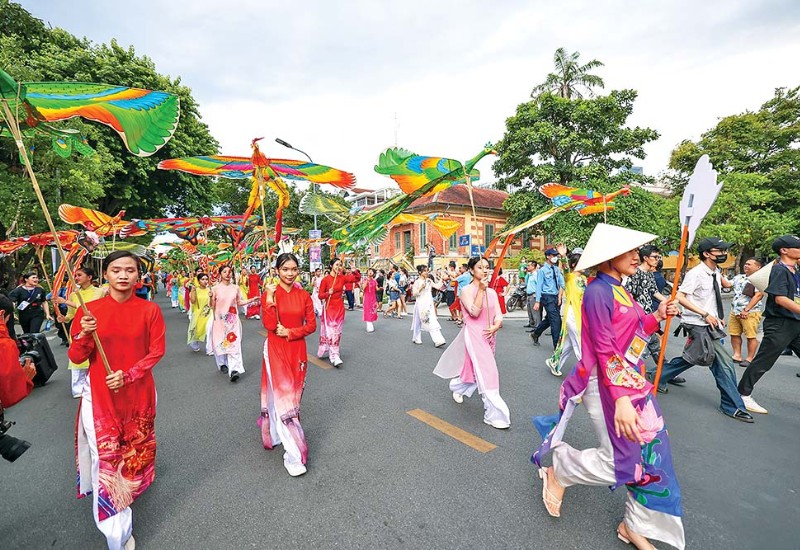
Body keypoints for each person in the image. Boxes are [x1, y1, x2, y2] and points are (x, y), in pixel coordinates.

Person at [532, 224, 684, 550]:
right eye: (630, 251)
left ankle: (634, 527)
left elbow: (636, 329)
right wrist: (623, 400)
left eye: (636, 251)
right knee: (623, 462)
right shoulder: (598, 292)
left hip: (630, 381)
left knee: (651, 457)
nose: (637, 256)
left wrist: (657, 314)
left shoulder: (620, 288)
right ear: (608, 256)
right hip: (606, 385)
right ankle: (562, 470)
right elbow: (605, 348)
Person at [69, 250, 166, 550]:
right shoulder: (89, 311)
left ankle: (126, 502)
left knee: (133, 457)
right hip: (100, 399)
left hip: (139, 396)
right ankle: (116, 534)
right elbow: (76, 356)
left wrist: (130, 374)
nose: (123, 275)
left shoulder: (149, 310)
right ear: (105, 275)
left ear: (139, 276)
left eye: (130, 270)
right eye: (116, 270)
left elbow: (156, 351)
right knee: (108, 461)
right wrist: (85, 334)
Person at [657, 237, 754, 423]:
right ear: (707, 254)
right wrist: (704, 314)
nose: (724, 254)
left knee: (694, 358)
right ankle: (732, 405)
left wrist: (716, 315)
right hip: (698, 324)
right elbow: (680, 296)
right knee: (723, 363)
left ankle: (657, 376)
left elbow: (722, 288)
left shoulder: (715, 271)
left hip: (711, 324)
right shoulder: (696, 273)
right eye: (719, 251)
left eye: (724, 250)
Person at [433, 257, 510, 429]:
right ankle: (494, 414)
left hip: (489, 336)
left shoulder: (491, 292)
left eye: (487, 267)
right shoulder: (466, 291)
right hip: (474, 335)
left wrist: (496, 325)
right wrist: (481, 291)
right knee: (488, 372)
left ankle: (457, 387)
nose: (485, 270)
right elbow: (474, 312)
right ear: (471, 270)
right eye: (480, 267)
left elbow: (499, 315)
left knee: (475, 371)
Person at [259, 253, 317, 477]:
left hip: (297, 349)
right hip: (275, 349)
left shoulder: (304, 296)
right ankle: (293, 454)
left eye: (293, 269)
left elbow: (311, 325)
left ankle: (274, 433)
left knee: (294, 397)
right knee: (285, 400)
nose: (290, 274)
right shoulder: (270, 293)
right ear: (277, 270)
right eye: (285, 269)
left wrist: (291, 332)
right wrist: (270, 298)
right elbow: (270, 324)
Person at [738, 235, 800, 414]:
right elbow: (780, 299)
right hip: (780, 323)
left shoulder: (794, 270)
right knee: (764, 361)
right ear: (784, 250)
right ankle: (742, 394)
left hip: (795, 322)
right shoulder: (780, 270)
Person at [623, 245, 679, 382]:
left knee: (654, 346)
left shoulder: (650, 274)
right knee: (638, 350)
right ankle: (634, 376)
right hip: (639, 319)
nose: (657, 260)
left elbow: (655, 292)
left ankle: (665, 372)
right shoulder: (635, 273)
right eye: (655, 257)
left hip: (649, 316)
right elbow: (629, 295)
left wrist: (668, 302)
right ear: (646, 258)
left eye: (658, 257)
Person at [56, 267, 105, 399]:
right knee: (77, 356)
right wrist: (64, 318)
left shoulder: (99, 292)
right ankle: (78, 388)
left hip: (95, 327)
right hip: (78, 328)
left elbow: (88, 308)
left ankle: (96, 384)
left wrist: (65, 301)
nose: (76, 278)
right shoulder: (73, 294)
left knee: (96, 356)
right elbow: (71, 314)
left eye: (79, 275)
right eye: (75, 276)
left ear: (89, 277)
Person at [210, 265, 258, 382]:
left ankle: (234, 370)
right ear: (220, 274)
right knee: (221, 345)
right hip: (220, 321)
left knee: (234, 344)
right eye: (225, 272)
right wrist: (211, 297)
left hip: (232, 320)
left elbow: (239, 302)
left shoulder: (235, 288)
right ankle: (223, 364)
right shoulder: (214, 289)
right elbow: (211, 306)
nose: (227, 274)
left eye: (229, 272)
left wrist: (252, 300)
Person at [545, 250, 585, 377]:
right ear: (574, 265)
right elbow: (566, 269)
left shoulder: (584, 279)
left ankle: (554, 362)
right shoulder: (569, 277)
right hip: (572, 314)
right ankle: (586, 369)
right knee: (579, 341)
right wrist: (563, 256)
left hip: (581, 314)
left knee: (568, 343)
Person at [317, 258, 357, 367]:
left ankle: (329, 349)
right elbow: (320, 295)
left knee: (337, 332)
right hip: (329, 308)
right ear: (331, 266)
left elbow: (355, 279)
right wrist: (327, 293)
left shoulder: (342, 278)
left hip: (339, 307)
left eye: (340, 265)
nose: (338, 267)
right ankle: (334, 355)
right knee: (331, 332)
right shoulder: (325, 280)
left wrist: (354, 269)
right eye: (336, 265)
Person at [729, 258, 765, 368]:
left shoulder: (759, 279)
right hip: (735, 311)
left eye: (749, 264)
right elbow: (727, 284)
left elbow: (758, 295)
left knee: (750, 336)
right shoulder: (739, 277)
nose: (746, 266)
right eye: (746, 264)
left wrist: (747, 309)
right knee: (734, 333)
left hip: (750, 312)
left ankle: (750, 358)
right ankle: (737, 355)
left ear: (758, 267)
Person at [0, 295, 35, 408]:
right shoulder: (4, 344)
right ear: (1, 314)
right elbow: (10, 394)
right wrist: (25, 378)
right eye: (8, 318)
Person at [531, 248, 565, 348]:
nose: (555, 257)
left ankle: (536, 333)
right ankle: (557, 346)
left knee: (550, 319)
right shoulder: (542, 271)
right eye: (553, 255)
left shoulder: (556, 269)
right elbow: (539, 286)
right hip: (546, 297)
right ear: (548, 257)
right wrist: (537, 301)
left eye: (556, 255)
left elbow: (562, 283)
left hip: (555, 296)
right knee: (556, 320)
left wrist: (561, 295)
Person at [411, 265, 446, 347]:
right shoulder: (417, 282)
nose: (426, 272)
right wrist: (421, 288)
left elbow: (437, 286)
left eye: (427, 270)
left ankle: (439, 340)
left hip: (429, 304)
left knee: (432, 321)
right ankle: (417, 337)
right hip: (421, 305)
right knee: (420, 322)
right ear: (420, 272)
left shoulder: (429, 281)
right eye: (424, 271)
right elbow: (414, 294)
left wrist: (441, 279)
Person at [187, 273, 212, 352]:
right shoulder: (195, 289)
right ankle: (195, 342)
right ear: (198, 281)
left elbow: (212, 303)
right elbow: (193, 301)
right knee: (198, 330)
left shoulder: (210, 290)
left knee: (210, 329)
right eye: (202, 279)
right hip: (198, 312)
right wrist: (193, 291)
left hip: (209, 313)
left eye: (206, 279)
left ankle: (210, 348)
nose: (205, 281)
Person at [523, 261, 540, 330]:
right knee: (530, 311)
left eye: (529, 265)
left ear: (533, 266)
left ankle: (537, 326)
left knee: (535, 312)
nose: (527, 267)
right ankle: (531, 322)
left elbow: (539, 285)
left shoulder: (536, 275)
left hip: (534, 295)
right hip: (529, 295)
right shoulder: (530, 275)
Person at [361, 268, 379, 333]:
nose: (370, 272)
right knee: (367, 310)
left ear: (374, 273)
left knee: (373, 310)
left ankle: (370, 323)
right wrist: (367, 281)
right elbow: (363, 287)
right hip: (367, 297)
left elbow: (376, 289)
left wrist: (381, 288)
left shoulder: (374, 281)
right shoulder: (365, 280)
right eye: (369, 271)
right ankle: (369, 325)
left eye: (372, 271)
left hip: (373, 297)